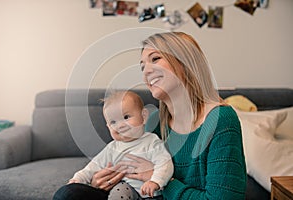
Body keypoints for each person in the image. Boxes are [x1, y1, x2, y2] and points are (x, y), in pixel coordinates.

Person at [54, 31, 247, 199]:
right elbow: (132, 175)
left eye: (155, 59)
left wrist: (160, 179)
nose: (146, 71)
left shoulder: (220, 119)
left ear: (186, 63)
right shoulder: (154, 121)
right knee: (70, 194)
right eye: (142, 66)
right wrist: (99, 182)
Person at [54, 90, 173, 200]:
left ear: (144, 116)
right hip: (127, 190)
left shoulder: (151, 141)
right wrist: (77, 179)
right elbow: (93, 167)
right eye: (113, 122)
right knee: (118, 191)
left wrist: (155, 181)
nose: (120, 125)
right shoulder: (112, 148)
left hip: (151, 194)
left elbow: (165, 163)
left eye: (126, 117)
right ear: (108, 127)